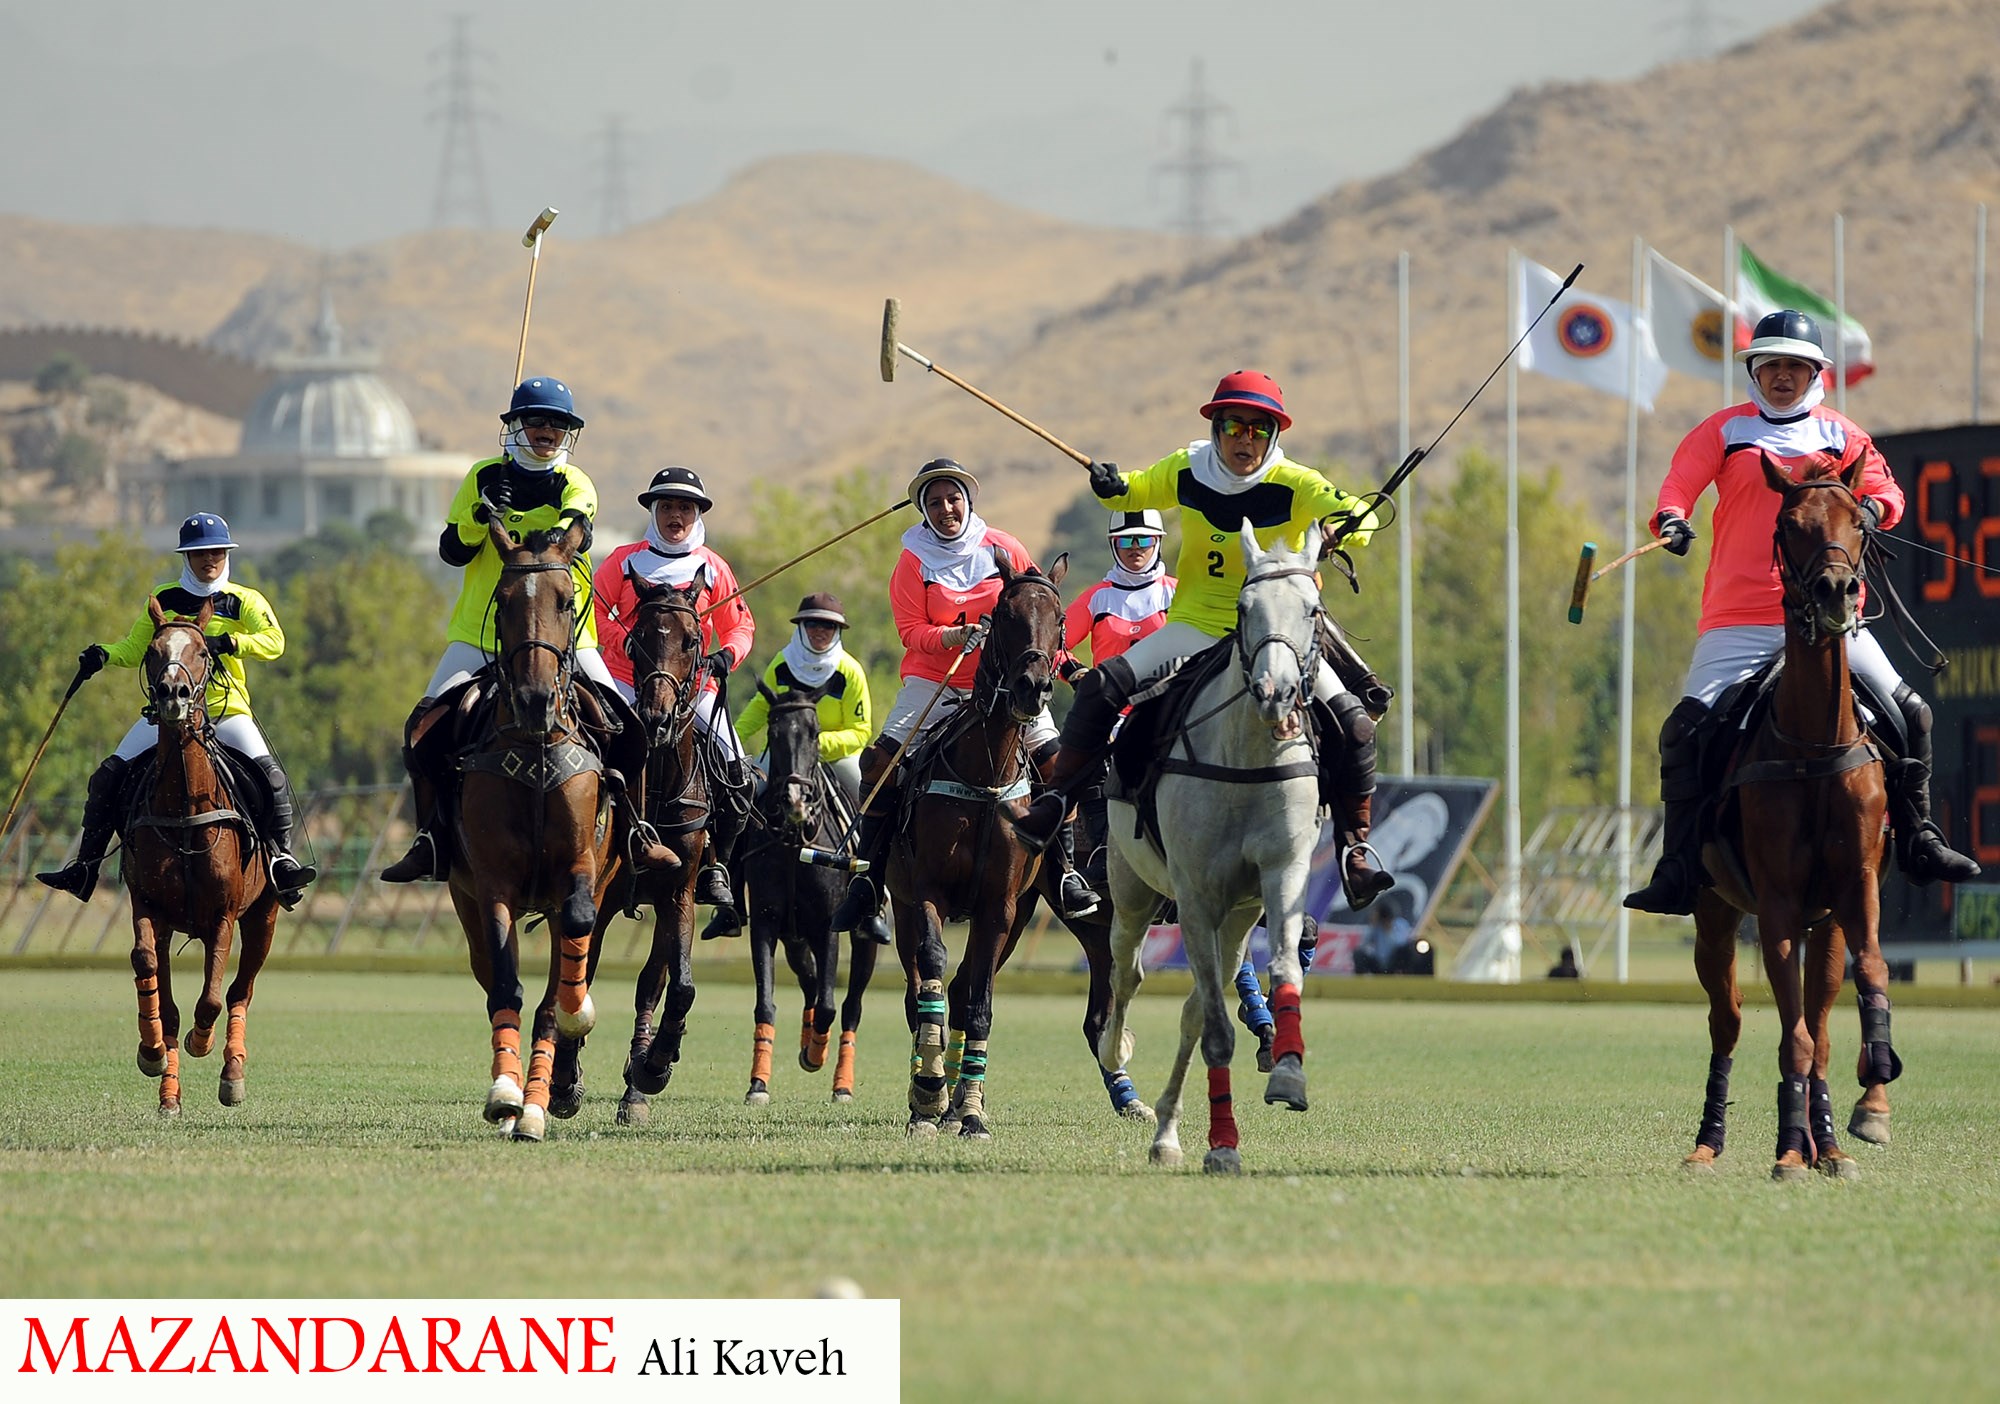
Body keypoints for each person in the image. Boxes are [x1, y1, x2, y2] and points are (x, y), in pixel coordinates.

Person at [1624, 310, 1979, 914]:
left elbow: (1887, 494)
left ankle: (1919, 837)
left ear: (1816, 373)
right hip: (1739, 620)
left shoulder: (1843, 435)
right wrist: (1673, 521)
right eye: (1771, 366)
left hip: (1834, 619)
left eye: (1795, 365)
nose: (1782, 376)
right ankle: (1679, 866)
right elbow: (1676, 489)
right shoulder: (1722, 431)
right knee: (1681, 731)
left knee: (1913, 714)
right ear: (1754, 372)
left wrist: (1869, 511)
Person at [1016, 369, 1397, 909]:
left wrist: (1346, 524)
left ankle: (1354, 851)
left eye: (1258, 430)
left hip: (1275, 634)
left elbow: (1356, 517)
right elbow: (1137, 488)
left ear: (1273, 436)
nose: (1245, 440)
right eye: (1235, 426)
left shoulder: (1297, 483)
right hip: (1196, 625)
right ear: (1217, 428)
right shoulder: (1188, 468)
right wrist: (1110, 485)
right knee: (1102, 685)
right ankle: (1057, 802)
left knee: (1357, 724)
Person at [381, 376, 658, 883]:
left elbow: (573, 529)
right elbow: (453, 550)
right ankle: (430, 840)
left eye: (557, 423)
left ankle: (637, 834)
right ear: (516, 426)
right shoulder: (482, 475)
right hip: (482, 636)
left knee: (626, 727)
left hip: (569, 641)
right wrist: (480, 511)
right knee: (422, 730)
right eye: (536, 420)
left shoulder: (577, 482)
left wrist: (514, 517)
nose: (546, 430)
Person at [828, 458, 1097, 931]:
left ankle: (1065, 871)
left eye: (953, 499)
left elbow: (1043, 612)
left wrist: (1060, 664)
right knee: (880, 764)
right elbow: (911, 631)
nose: (946, 508)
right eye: (934, 502)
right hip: (936, 681)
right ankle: (868, 880)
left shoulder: (1004, 546)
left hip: (1006, 685)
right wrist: (951, 639)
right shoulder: (913, 561)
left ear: (968, 502)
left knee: (1058, 765)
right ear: (923, 511)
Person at [37, 512, 317, 906]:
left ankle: (283, 862)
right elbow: (136, 648)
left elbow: (274, 641)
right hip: (168, 715)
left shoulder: (244, 600)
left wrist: (233, 644)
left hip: (226, 712)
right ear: (186, 557)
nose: (210, 560)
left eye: (217, 551)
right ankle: (85, 867)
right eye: (200, 552)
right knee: (106, 776)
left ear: (226, 553)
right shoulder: (164, 597)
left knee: (271, 776)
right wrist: (104, 654)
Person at [592, 466, 757, 937]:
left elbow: (741, 626)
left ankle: (716, 866)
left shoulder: (714, 568)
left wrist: (727, 655)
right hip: (626, 682)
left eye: (685, 507)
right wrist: (624, 645)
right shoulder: (624, 561)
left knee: (737, 768)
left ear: (697, 513)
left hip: (693, 691)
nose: (676, 515)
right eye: (667, 506)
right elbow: (594, 611)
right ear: (654, 512)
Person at [733, 592, 886, 943]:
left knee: (869, 810)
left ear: (838, 631)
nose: (820, 631)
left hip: (835, 755)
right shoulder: (783, 663)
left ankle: (874, 903)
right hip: (786, 756)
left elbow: (861, 731)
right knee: (744, 802)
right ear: (802, 627)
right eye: (814, 623)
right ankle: (730, 903)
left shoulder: (850, 671)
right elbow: (761, 707)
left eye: (829, 626)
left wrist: (815, 747)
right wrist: (734, 740)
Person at [1058, 508, 1176, 891]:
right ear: (1114, 545)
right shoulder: (1095, 598)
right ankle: (1099, 852)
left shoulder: (1178, 591)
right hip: (1112, 710)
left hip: (1171, 706)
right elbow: (1054, 645)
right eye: (1126, 541)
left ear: (1157, 542)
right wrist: (1078, 675)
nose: (1135, 548)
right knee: (1084, 758)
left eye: (1144, 540)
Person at [1353, 901, 1415, 976]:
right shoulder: (1376, 927)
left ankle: (1406, 975)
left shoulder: (1400, 924)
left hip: (1394, 962)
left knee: (1407, 950)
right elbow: (1363, 944)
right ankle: (1360, 979)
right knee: (1358, 953)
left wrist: (1389, 931)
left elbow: (1402, 944)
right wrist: (1373, 926)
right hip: (1379, 964)